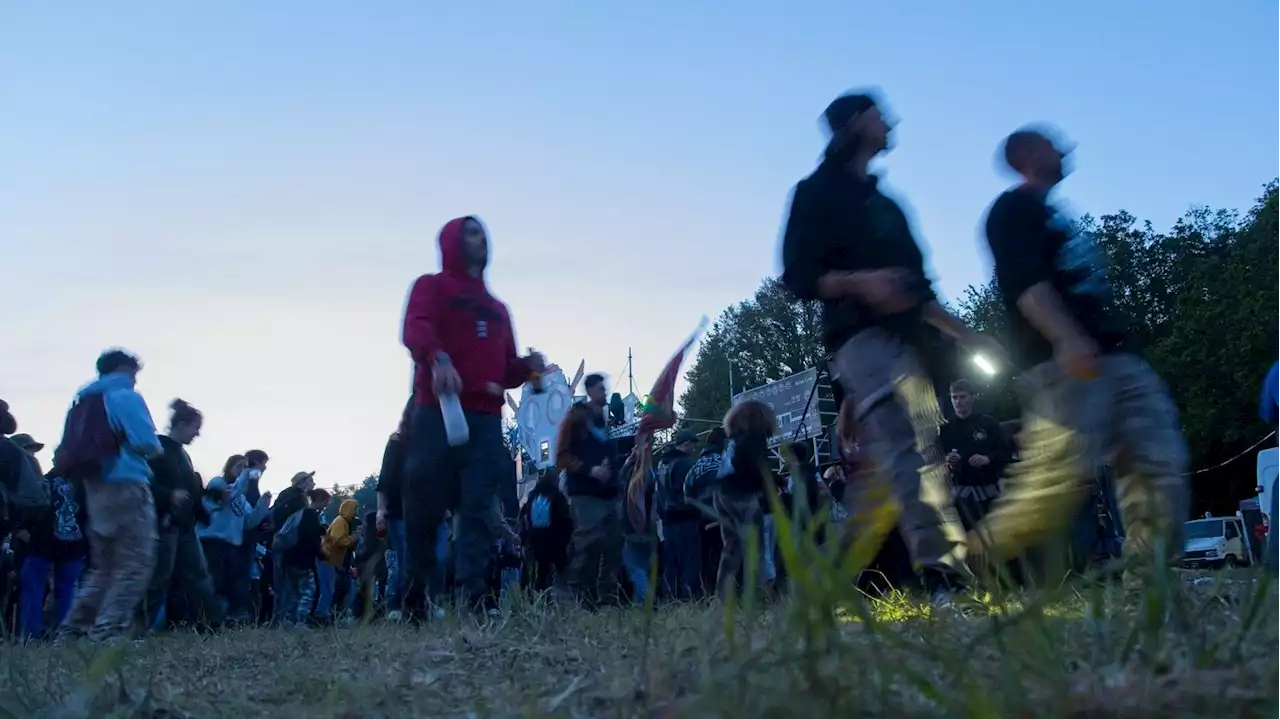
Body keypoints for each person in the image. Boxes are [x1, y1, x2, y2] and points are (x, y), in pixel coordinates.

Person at [780, 91, 992, 598]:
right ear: (853, 123)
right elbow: (796, 276)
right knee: (906, 446)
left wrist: (966, 333)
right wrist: (858, 282)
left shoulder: (887, 206)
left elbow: (920, 289)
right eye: (878, 114)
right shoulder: (816, 193)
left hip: (909, 344)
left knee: (916, 455)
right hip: (857, 339)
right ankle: (943, 575)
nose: (889, 121)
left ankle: (831, 578)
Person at [974, 126, 1189, 578]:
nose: (1064, 149)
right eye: (1052, 144)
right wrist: (1067, 338)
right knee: (1053, 490)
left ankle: (1151, 583)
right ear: (1027, 155)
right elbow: (1025, 284)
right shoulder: (1012, 212)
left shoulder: (1055, 215)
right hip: (1064, 364)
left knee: (1157, 462)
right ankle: (963, 562)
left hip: (1117, 357)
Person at [400, 216, 545, 617]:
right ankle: (419, 592)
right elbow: (416, 329)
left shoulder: (498, 310)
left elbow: (505, 371)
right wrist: (437, 356)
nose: (478, 239)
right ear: (451, 241)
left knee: (479, 508)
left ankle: (474, 598)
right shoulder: (431, 286)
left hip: (484, 421)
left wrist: (528, 367)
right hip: (438, 412)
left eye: (482, 233)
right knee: (424, 508)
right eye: (469, 232)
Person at [58, 349, 164, 642]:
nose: (135, 378)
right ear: (123, 369)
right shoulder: (124, 396)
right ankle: (109, 632)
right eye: (133, 372)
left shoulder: (84, 400)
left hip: (95, 485)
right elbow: (146, 442)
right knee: (135, 561)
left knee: (104, 565)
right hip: (127, 481)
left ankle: (74, 630)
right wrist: (155, 449)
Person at [138, 399, 224, 631]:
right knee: (158, 577)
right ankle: (137, 628)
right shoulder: (158, 449)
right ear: (182, 424)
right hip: (164, 524)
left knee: (198, 574)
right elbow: (144, 484)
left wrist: (207, 500)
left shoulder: (182, 454)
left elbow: (189, 489)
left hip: (184, 525)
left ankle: (209, 623)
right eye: (195, 428)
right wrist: (168, 497)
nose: (197, 434)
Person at [554, 373, 623, 607]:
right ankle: (578, 597)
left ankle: (607, 599)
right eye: (601, 388)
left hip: (608, 494)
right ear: (591, 390)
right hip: (584, 494)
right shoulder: (576, 417)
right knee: (588, 545)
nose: (605, 392)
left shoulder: (605, 421)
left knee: (613, 544)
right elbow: (561, 455)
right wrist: (588, 470)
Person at [197, 455, 272, 622]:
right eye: (239, 466)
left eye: (246, 467)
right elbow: (226, 497)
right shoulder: (218, 484)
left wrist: (262, 505)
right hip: (212, 541)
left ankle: (223, 618)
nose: (243, 470)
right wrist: (245, 477)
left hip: (232, 545)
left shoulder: (242, 498)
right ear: (228, 467)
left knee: (230, 583)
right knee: (214, 581)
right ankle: (206, 618)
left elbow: (249, 521)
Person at [713, 400, 775, 601]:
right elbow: (759, 469)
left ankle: (722, 597)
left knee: (731, 548)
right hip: (743, 496)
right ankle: (756, 596)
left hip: (722, 494)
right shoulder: (756, 437)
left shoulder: (733, 440)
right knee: (755, 548)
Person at [939, 379, 1013, 530]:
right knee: (970, 542)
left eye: (962, 397)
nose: (958, 402)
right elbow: (938, 461)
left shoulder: (988, 423)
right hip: (961, 495)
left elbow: (1006, 453)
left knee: (995, 536)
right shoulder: (946, 430)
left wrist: (988, 459)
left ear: (972, 397)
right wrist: (947, 461)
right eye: (954, 397)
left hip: (989, 492)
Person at [655, 430, 701, 600]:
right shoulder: (684, 464)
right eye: (693, 443)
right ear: (685, 443)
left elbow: (659, 494)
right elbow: (690, 492)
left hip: (667, 521)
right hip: (684, 518)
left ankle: (670, 598)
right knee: (689, 562)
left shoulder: (662, 464)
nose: (694, 448)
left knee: (671, 563)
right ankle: (690, 599)